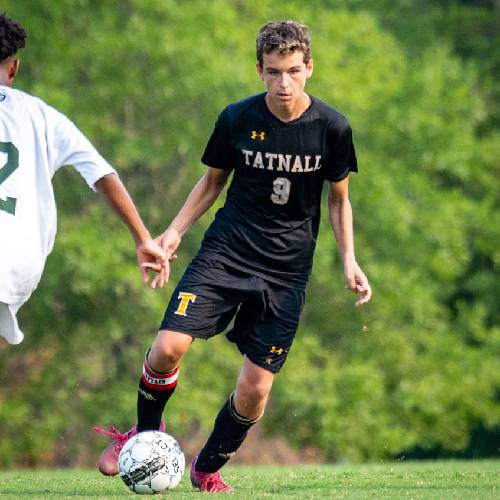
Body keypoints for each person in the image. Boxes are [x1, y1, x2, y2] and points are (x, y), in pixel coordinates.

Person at [96, 20, 372, 493]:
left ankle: (206, 465)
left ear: (309, 68)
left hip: (286, 273)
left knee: (255, 391)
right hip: (226, 254)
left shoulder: (333, 128)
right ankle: (144, 435)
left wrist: (349, 258)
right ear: (259, 70)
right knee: (167, 349)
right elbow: (211, 183)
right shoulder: (237, 119)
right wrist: (173, 233)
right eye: (272, 72)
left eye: (292, 71)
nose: (283, 84)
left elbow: (339, 199)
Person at [0, 12, 167, 346]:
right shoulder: (42, 115)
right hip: (19, 260)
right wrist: (142, 237)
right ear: (14, 67)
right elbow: (103, 173)